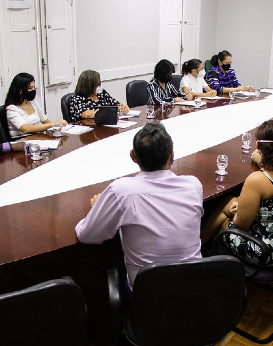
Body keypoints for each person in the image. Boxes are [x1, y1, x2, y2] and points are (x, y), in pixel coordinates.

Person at [75, 122, 203, 290]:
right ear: (172, 156)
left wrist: (97, 209)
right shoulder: (193, 186)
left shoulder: (121, 192)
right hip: (196, 288)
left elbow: (87, 235)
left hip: (148, 296)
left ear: (133, 157)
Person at [201, 120, 273, 265]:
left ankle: (201, 253)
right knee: (230, 201)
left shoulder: (256, 180)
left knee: (225, 220)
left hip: (265, 251)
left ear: (257, 146)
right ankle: (198, 249)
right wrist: (245, 206)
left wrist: (240, 211)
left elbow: (240, 226)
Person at [5, 73, 67, 137]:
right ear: (20, 90)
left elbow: (46, 121)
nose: (33, 91)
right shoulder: (12, 108)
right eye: (30, 88)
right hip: (22, 141)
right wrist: (53, 124)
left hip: (38, 138)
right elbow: (25, 129)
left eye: (34, 88)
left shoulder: (33, 102)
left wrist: (58, 125)